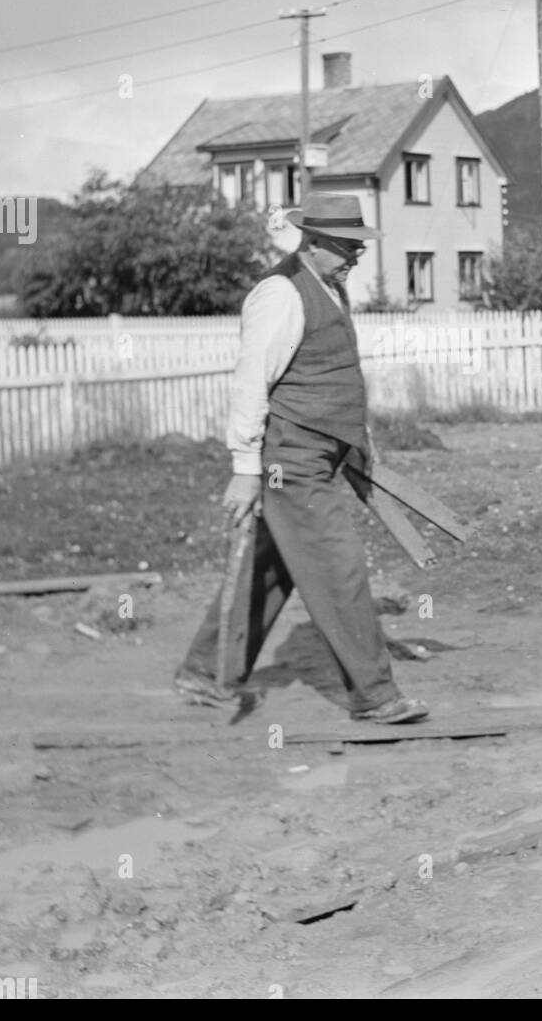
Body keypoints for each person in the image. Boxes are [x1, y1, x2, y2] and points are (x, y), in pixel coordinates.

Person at [173, 194, 429, 724]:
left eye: (359, 245)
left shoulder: (328, 288)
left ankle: (203, 672)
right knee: (340, 568)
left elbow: (331, 374)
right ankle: (375, 695)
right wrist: (245, 469)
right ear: (311, 242)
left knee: (266, 571)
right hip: (290, 460)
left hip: (319, 454)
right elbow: (250, 383)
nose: (356, 255)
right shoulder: (280, 293)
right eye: (346, 246)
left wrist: (357, 443)